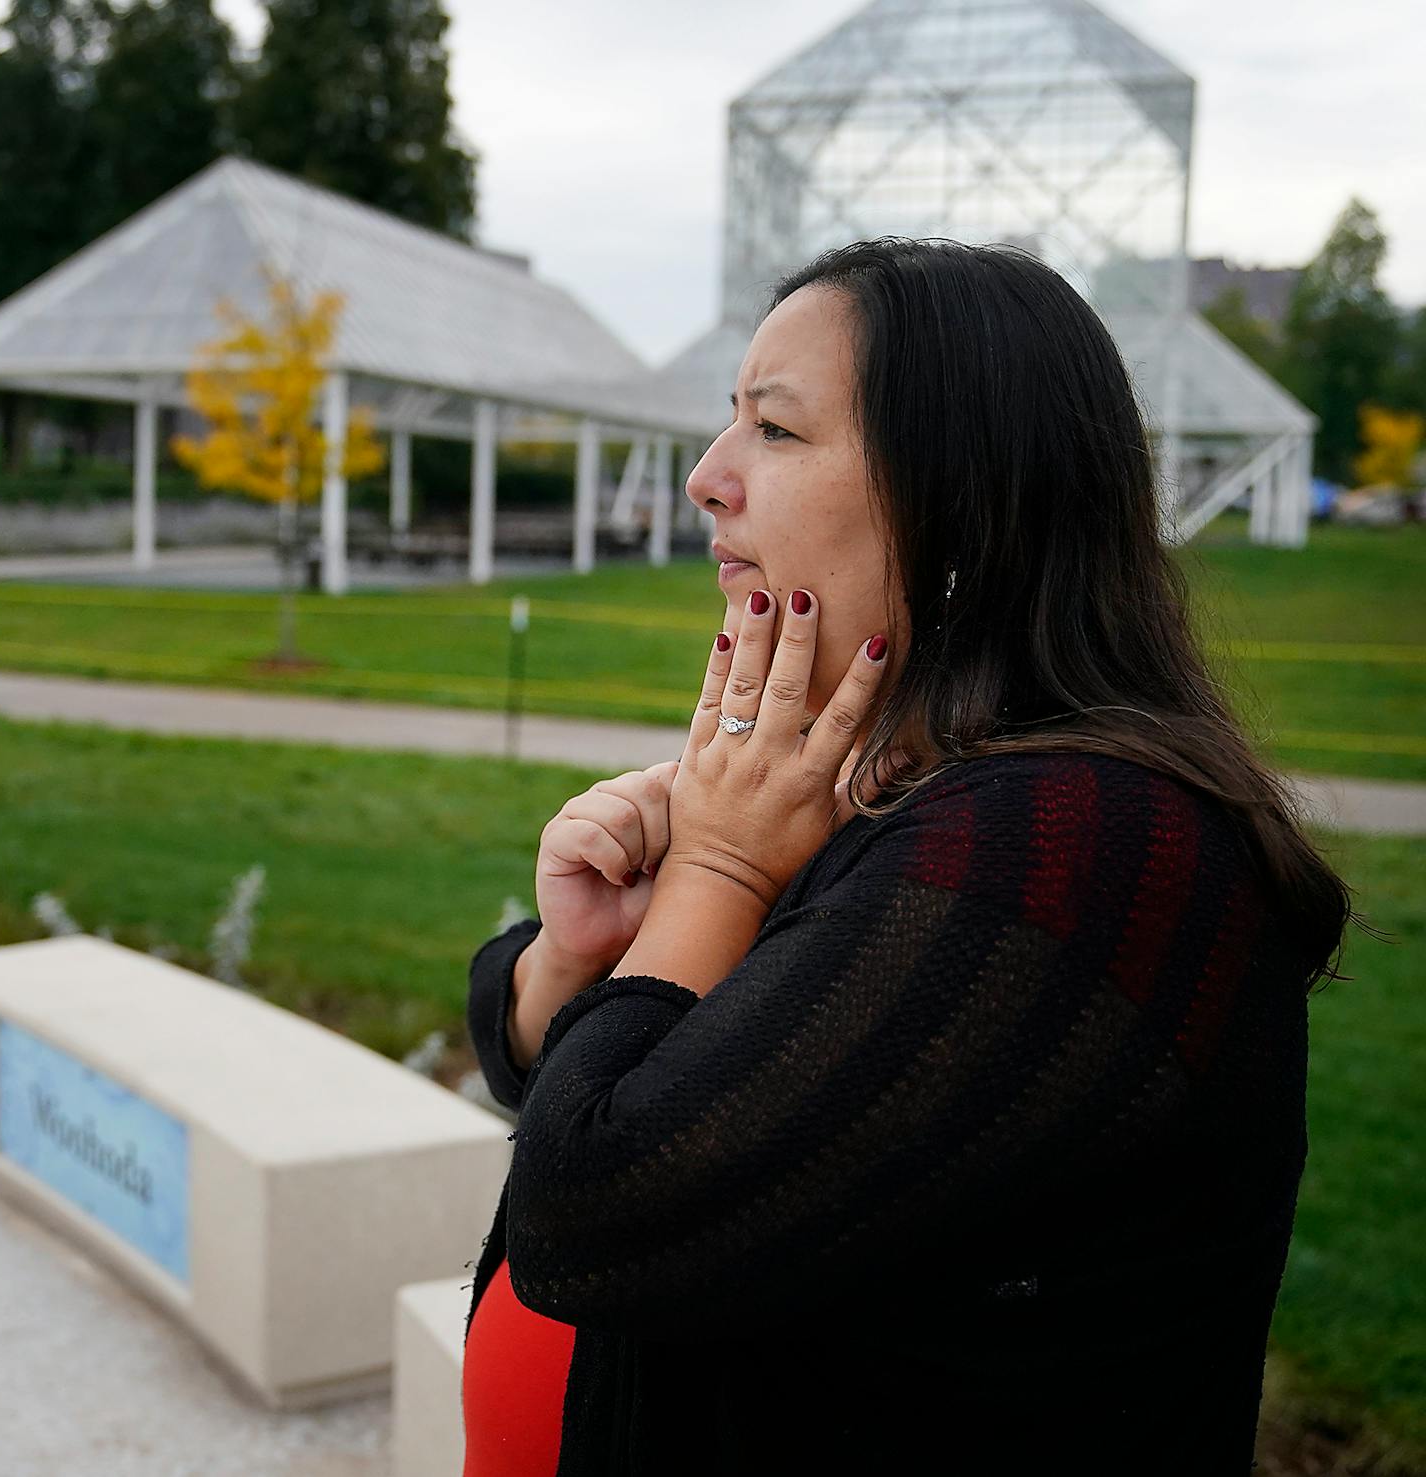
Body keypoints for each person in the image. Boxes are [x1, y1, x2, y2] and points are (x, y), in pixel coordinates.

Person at [458, 237, 1357, 1476]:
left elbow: (594, 1202)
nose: (708, 480)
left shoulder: (1073, 848)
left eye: (774, 432)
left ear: (964, 495)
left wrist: (719, 879)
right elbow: (629, 1071)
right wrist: (576, 960)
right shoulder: (904, 789)